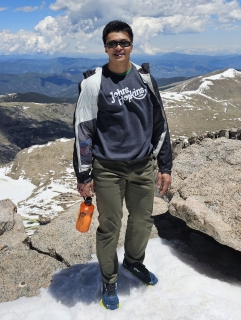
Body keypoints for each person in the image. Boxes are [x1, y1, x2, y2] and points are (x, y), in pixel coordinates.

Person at [73, 20, 172, 310]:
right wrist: (84, 174)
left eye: (124, 42)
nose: (119, 47)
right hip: (108, 168)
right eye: (113, 43)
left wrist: (164, 165)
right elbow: (83, 130)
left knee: (143, 221)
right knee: (109, 226)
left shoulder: (145, 79)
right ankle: (109, 279)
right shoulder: (93, 83)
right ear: (105, 47)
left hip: (142, 165)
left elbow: (160, 123)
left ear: (131, 45)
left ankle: (133, 262)